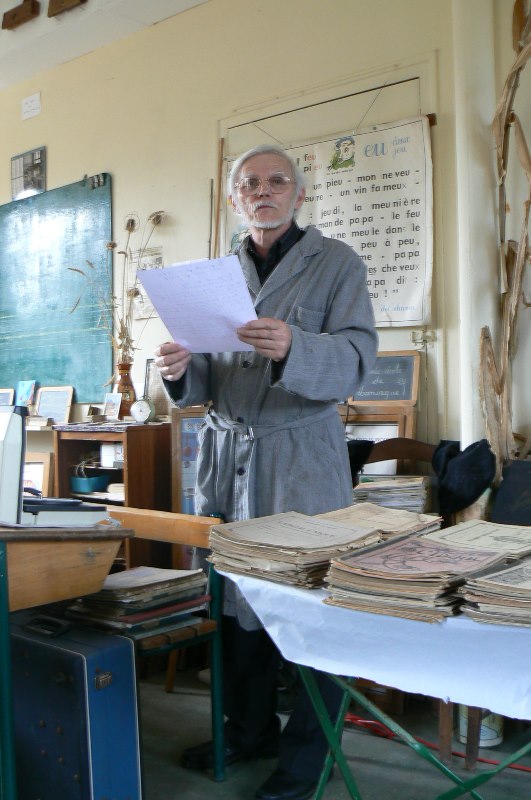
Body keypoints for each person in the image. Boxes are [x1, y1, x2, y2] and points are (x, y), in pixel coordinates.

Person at [155, 144, 378, 800]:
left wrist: (296, 348)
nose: (263, 190)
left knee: (306, 611)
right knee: (235, 607)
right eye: (249, 183)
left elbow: (358, 356)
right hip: (225, 459)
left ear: (298, 194)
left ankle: (308, 757)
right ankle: (247, 730)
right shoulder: (213, 273)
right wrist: (179, 370)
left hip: (298, 461)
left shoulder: (335, 264)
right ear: (234, 199)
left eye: (276, 180)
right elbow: (204, 377)